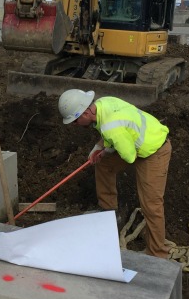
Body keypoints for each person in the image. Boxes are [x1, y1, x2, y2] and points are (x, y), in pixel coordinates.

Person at [58, 89, 172, 259]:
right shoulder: (104, 103)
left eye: (75, 120)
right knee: (102, 163)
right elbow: (116, 132)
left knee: (151, 205)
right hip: (134, 141)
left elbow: (130, 156)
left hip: (153, 151)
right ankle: (108, 210)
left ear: (86, 112)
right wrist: (99, 148)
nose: (75, 124)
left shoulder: (111, 126)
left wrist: (108, 148)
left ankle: (157, 254)